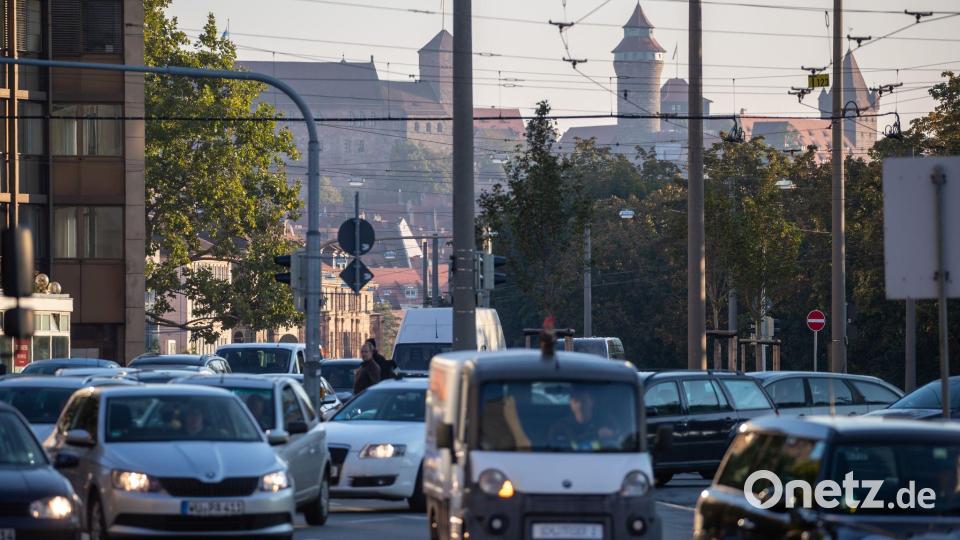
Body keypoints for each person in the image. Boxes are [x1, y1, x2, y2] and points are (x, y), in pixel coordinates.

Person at [548, 388, 620, 450]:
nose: (580, 405)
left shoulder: (607, 422)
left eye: (584, 400)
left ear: (592, 402)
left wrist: (612, 434)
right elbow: (552, 451)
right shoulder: (560, 428)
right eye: (576, 401)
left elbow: (622, 441)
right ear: (570, 404)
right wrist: (595, 435)